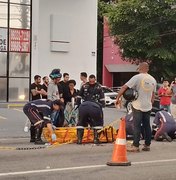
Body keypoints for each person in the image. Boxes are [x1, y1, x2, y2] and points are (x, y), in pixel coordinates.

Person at [116, 62, 156, 152]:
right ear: (148, 69)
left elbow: (124, 87)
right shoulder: (153, 79)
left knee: (137, 125)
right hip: (148, 106)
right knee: (147, 125)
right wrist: (150, 104)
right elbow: (153, 95)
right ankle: (147, 145)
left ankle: (136, 145)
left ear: (140, 68)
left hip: (138, 105)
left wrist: (117, 98)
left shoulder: (137, 77)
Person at [76, 74, 105, 144]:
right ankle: (96, 139)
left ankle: (79, 140)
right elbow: (102, 99)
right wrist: (102, 107)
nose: (91, 82)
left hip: (84, 106)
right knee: (98, 122)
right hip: (95, 106)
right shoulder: (99, 87)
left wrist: (78, 105)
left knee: (81, 122)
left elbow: (79, 96)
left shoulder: (84, 86)